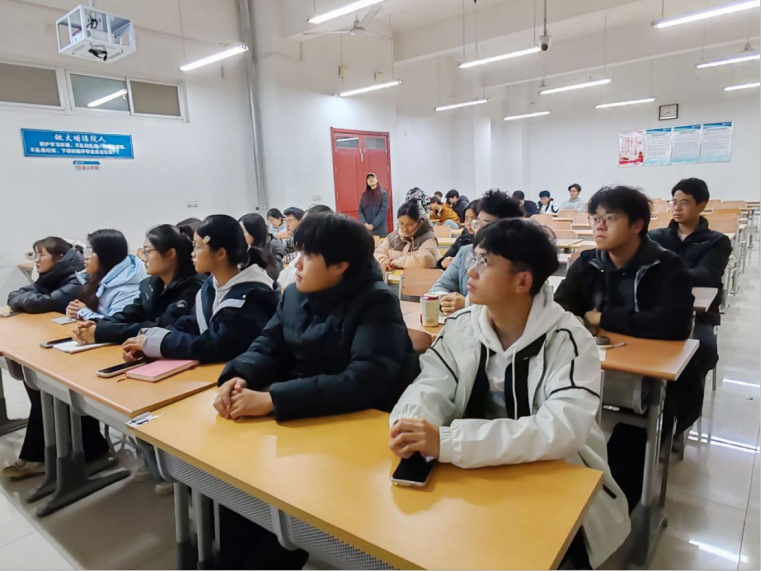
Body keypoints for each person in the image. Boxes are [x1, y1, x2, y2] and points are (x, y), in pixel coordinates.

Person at [390, 219, 631, 570]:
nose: (470, 270)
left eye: (485, 262)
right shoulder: (460, 326)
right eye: (474, 258)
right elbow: (430, 384)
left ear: (522, 281)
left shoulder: (569, 340)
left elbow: (559, 430)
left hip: (551, 474)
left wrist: (448, 441)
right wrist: (411, 427)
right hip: (472, 469)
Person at [214, 213, 419, 569]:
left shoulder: (376, 302)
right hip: (306, 421)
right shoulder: (294, 295)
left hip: (358, 432)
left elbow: (364, 381)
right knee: (240, 492)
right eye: (298, 252)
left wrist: (273, 400)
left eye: (308, 256)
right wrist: (238, 376)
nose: (296, 264)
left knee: (279, 509)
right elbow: (267, 345)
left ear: (340, 265)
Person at [554, 186, 695, 512]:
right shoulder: (588, 262)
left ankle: (610, 512)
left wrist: (602, 318)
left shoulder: (666, 265)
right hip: (594, 363)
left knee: (634, 436)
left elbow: (674, 324)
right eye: (595, 219)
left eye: (611, 218)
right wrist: (584, 320)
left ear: (637, 224)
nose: (599, 226)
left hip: (647, 369)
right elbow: (561, 308)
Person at [121, 215, 280, 365]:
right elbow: (191, 323)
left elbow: (219, 345)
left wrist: (160, 343)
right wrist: (150, 339)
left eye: (197, 246)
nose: (192, 254)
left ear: (220, 253)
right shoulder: (211, 286)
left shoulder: (253, 294)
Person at [650, 178, 732, 375]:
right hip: (655, 306)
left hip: (699, 314)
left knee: (701, 350)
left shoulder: (716, 241)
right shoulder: (656, 237)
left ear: (701, 205)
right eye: (674, 202)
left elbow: (707, 275)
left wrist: (664, 275)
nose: (677, 208)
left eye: (684, 202)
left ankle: (685, 394)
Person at [71, 225, 204, 346]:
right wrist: (96, 324)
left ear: (170, 254)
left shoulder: (193, 288)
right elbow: (131, 314)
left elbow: (161, 327)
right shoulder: (151, 284)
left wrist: (101, 332)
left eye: (147, 251)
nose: (143, 258)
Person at [430, 190, 524, 315]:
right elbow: (439, 286)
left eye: (486, 225)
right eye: (476, 223)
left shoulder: (516, 260)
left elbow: (511, 303)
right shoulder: (465, 252)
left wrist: (466, 304)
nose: (477, 230)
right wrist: (446, 301)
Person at [65, 229, 146, 322]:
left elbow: (117, 325)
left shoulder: (129, 288)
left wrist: (84, 312)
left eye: (91, 251)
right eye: (86, 250)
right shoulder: (95, 277)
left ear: (106, 254)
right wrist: (75, 311)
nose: (86, 257)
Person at [7, 238, 84, 314]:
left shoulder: (77, 279)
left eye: (41, 255)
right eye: (36, 255)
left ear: (59, 258)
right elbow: (13, 295)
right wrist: (26, 299)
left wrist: (24, 299)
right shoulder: (50, 276)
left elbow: (46, 303)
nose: (36, 260)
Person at [278, 205, 333, 289]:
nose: (287, 225)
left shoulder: (321, 249)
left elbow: (289, 280)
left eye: (290, 221)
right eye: (286, 221)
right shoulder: (301, 243)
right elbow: (281, 278)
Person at [374, 201, 440, 271]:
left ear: (418, 221)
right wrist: (384, 261)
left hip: (419, 277)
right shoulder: (392, 238)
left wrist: (396, 263)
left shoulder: (428, 238)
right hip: (393, 277)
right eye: (401, 223)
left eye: (410, 225)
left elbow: (426, 261)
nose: (405, 228)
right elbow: (377, 254)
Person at [239, 213, 286, 281]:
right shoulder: (242, 249)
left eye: (243, 232)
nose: (239, 236)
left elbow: (275, 274)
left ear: (255, 233)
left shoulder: (274, 244)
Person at [437, 199, 480, 270]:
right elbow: (446, 258)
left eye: (473, 219)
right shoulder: (463, 237)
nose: (468, 223)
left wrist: (458, 263)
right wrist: (443, 262)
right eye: (466, 219)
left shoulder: (487, 243)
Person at [358, 173, 390, 238]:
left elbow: (383, 212)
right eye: (368, 178)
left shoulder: (383, 194)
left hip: (380, 232)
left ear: (377, 180)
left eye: (372, 177)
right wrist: (364, 224)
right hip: (367, 232)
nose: (371, 179)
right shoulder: (364, 195)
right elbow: (360, 211)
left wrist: (373, 225)